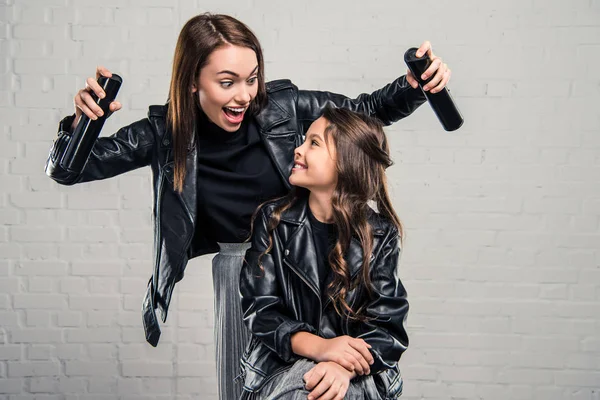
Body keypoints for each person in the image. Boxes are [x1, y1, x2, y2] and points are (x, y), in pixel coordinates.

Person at [44, 13, 451, 400]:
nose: (244, 95)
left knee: (331, 380)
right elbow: (69, 170)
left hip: (313, 258)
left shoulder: (284, 108)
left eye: (252, 79)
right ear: (191, 82)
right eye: (227, 82)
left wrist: (416, 85)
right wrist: (83, 125)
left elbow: (364, 113)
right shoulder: (164, 134)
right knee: (248, 388)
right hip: (243, 273)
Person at [239, 107, 408, 400]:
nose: (298, 150)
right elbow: (261, 311)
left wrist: (342, 367)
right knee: (309, 387)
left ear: (345, 162)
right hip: (283, 366)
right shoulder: (273, 220)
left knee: (337, 390)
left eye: (313, 143)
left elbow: (387, 329)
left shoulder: (380, 235)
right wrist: (324, 349)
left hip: (355, 374)